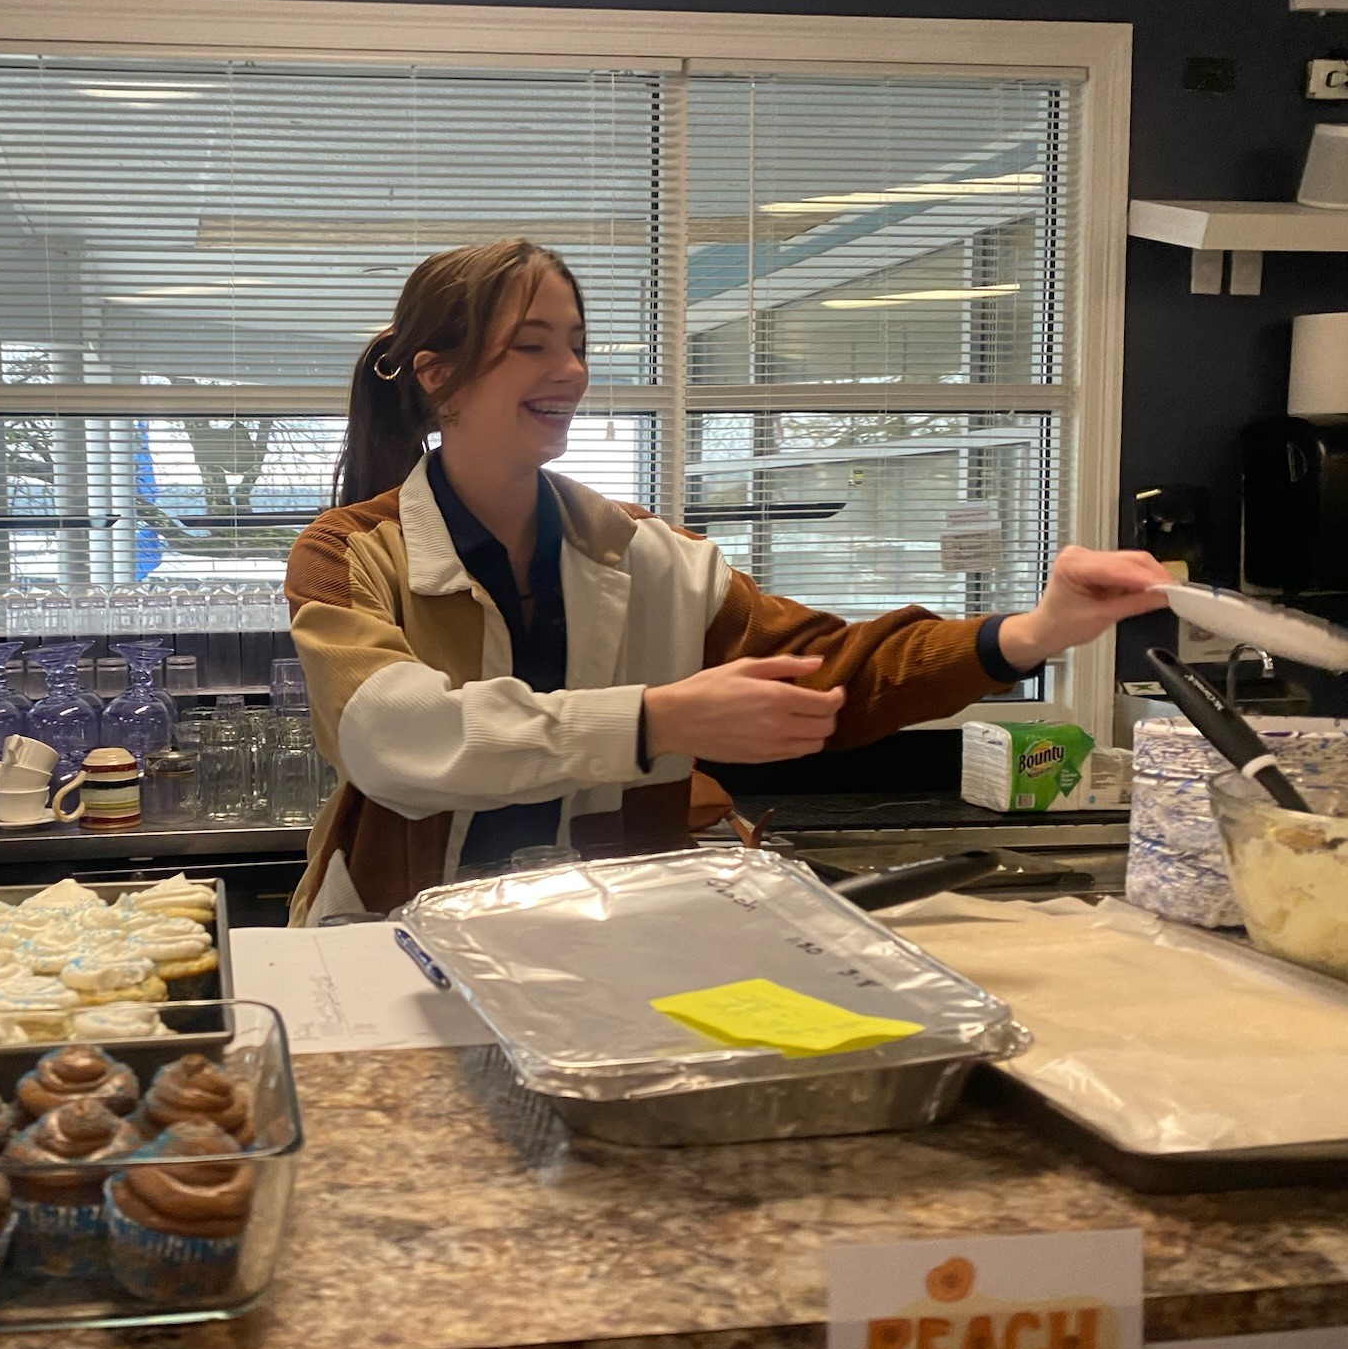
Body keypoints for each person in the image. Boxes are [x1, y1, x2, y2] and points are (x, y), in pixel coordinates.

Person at [282, 239, 1168, 924]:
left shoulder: (645, 552)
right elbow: (391, 739)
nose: (571, 371)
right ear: (439, 378)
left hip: (607, 933)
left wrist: (1029, 634)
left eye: (578, 344)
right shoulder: (354, 552)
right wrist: (657, 719)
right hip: (406, 935)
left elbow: (829, 672)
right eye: (531, 346)